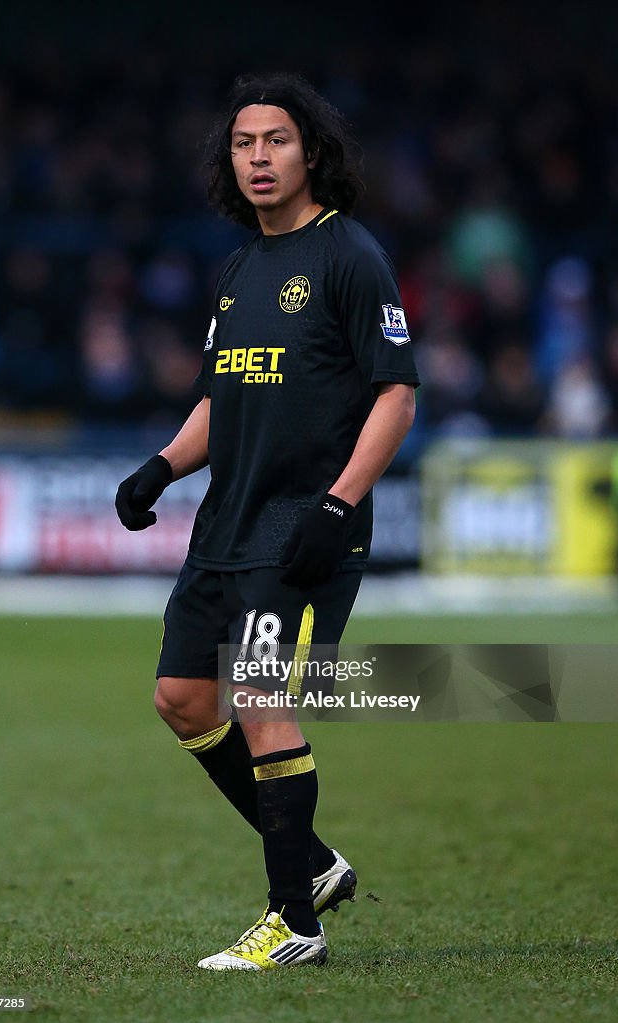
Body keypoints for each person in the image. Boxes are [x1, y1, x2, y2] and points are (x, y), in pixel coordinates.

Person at [115, 71, 419, 971]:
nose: (258, 157)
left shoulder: (349, 255)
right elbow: (222, 395)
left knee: (258, 699)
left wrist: (339, 502)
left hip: (304, 526)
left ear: (311, 154)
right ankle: (312, 863)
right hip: (225, 523)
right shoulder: (239, 268)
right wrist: (161, 466)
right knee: (182, 700)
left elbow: (396, 395)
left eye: (276, 141)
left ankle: (295, 924)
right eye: (244, 143)